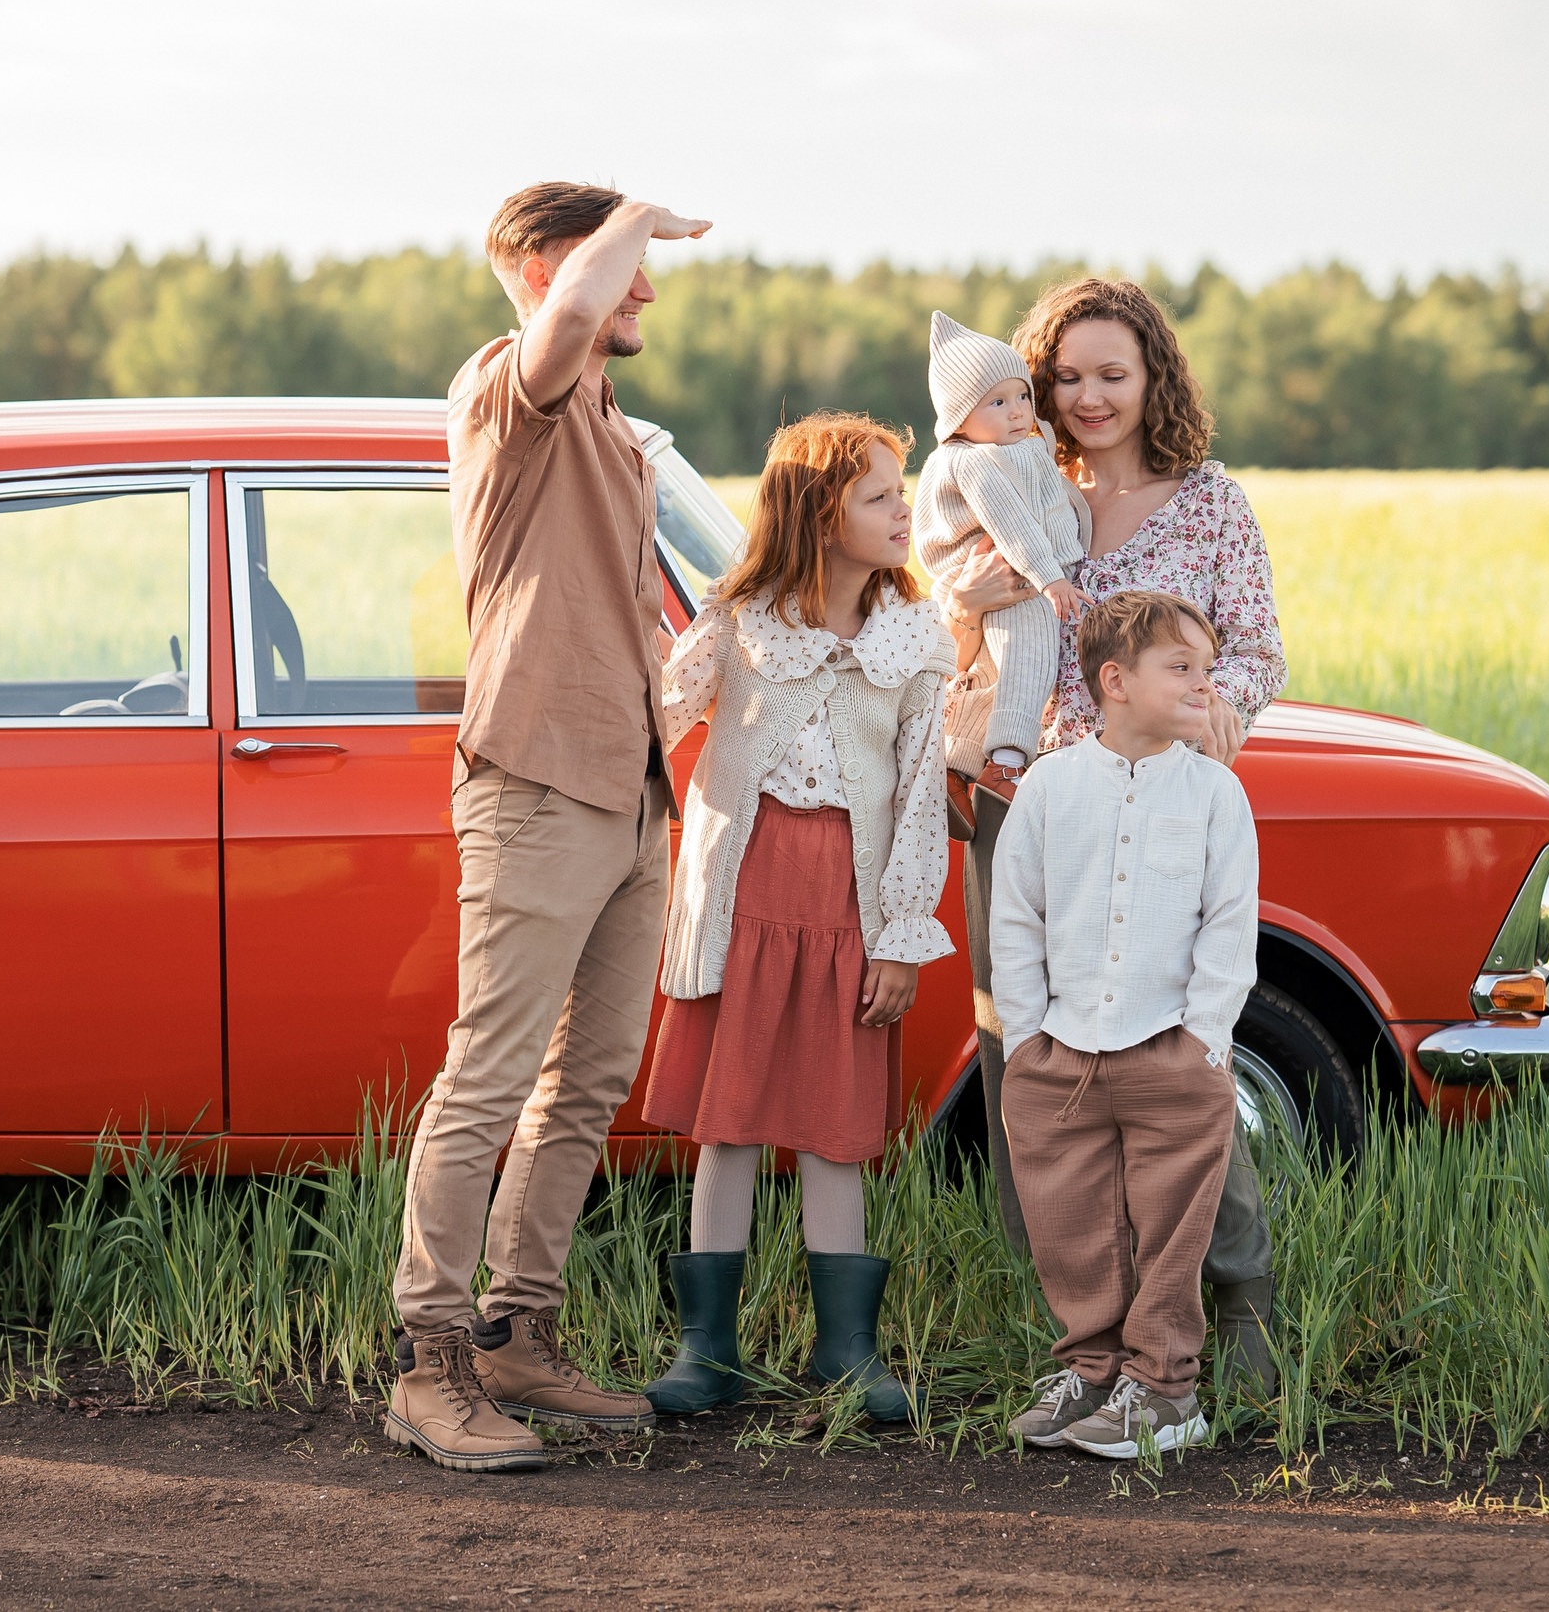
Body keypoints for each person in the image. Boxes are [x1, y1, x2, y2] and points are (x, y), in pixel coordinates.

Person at [383, 183, 710, 1474]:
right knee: (489, 1079)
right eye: (621, 265)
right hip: (534, 781)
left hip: (628, 789)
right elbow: (579, 303)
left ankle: (520, 1330)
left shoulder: (610, 422)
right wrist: (641, 211)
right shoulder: (510, 391)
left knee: (587, 1080)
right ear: (538, 269)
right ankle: (432, 1363)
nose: (645, 288)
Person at [936, 276, 1287, 1382]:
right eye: (1067, 376)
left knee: (1176, 1055)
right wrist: (966, 603)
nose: (1088, 396)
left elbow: (1256, 650)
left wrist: (1208, 704)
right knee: (1032, 1060)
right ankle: (1086, 1331)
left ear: (1153, 378)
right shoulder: (1014, 488)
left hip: (1160, 809)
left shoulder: (1210, 502)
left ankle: (1235, 1307)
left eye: (1112, 373)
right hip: (1025, 800)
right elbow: (943, 630)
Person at [637, 411, 957, 1423]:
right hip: (742, 892)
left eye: (897, 491)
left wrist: (901, 935)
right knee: (727, 1126)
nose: (901, 510)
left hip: (850, 906)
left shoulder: (915, 640)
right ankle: (706, 1348)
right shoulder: (741, 623)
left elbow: (916, 797)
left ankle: (846, 1350)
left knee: (834, 1128)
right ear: (820, 516)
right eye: (877, 495)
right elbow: (658, 710)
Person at [992, 589, 1259, 1456]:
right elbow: (1018, 918)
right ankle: (1094, 1371)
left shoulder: (1217, 794)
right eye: (1181, 669)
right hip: (1061, 1053)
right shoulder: (1048, 786)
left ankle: (1165, 1390)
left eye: (1207, 671)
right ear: (1114, 681)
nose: (1203, 688)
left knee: (1172, 1227)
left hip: (1170, 1054)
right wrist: (1028, 1039)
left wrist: (1204, 1043)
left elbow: (1229, 927)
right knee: (1070, 1223)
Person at [913, 311, 1089, 794]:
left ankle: (955, 770)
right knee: (1028, 654)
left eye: (1023, 397)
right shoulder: (973, 461)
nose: (1017, 411)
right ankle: (1007, 761)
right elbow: (1012, 522)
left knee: (991, 672)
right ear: (958, 417)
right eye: (996, 401)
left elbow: (1052, 495)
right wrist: (1049, 578)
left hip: (1004, 575)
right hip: (1011, 575)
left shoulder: (1013, 447)